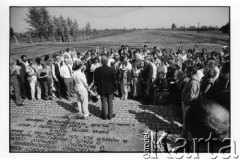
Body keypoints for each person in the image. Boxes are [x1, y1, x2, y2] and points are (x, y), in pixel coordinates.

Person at [181, 65, 204, 139]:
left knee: (186, 122)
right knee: (185, 122)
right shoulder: (191, 80)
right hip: (187, 104)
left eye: (186, 71)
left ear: (191, 72)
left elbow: (191, 96)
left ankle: (184, 138)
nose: (185, 72)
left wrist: (185, 102)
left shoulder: (193, 82)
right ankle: (183, 136)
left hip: (188, 105)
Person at [94, 55, 116, 120]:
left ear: (101, 62)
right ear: (107, 61)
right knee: (110, 102)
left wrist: (98, 87)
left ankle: (104, 116)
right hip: (110, 88)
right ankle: (110, 116)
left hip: (102, 88)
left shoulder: (97, 70)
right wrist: (115, 88)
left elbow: (96, 80)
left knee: (103, 102)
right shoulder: (112, 69)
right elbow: (114, 80)